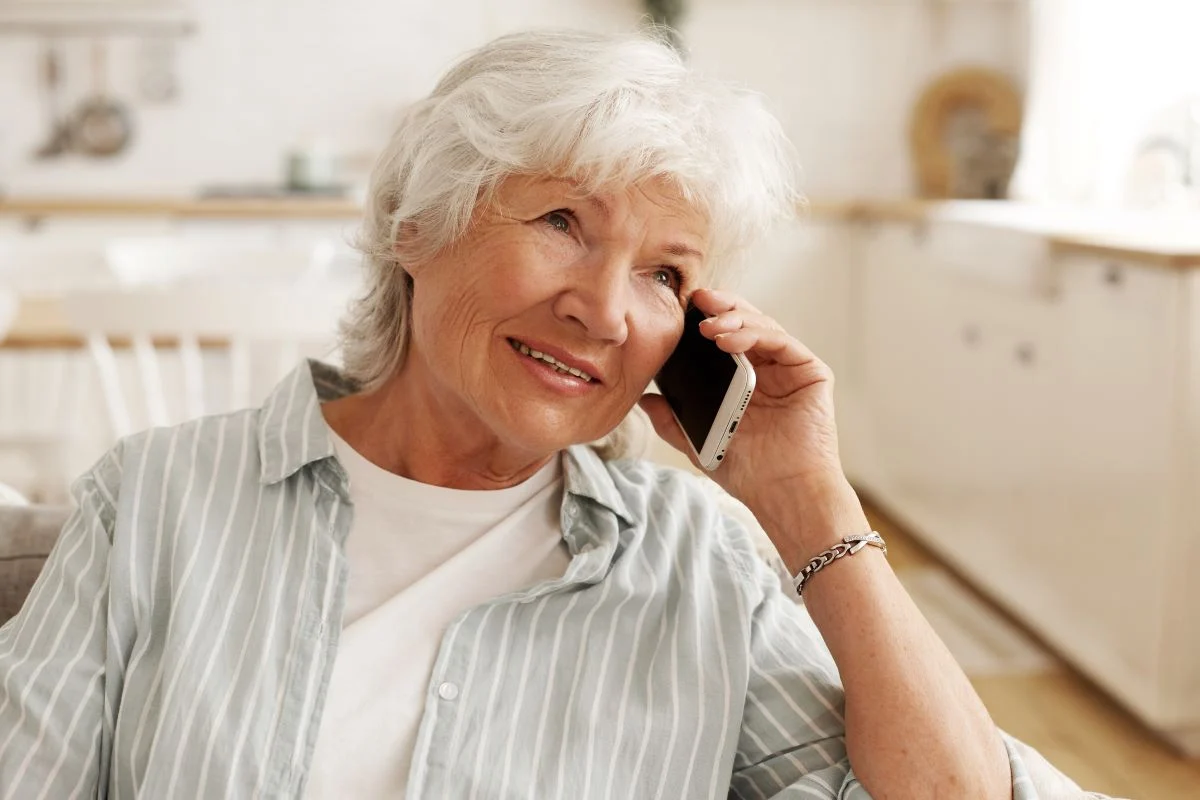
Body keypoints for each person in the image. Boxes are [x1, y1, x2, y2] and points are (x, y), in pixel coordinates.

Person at [0, 29, 1104, 800]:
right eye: (565, 219)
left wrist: (807, 499)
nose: (605, 308)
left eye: (667, 272)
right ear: (416, 223)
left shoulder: (695, 566)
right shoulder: (152, 499)